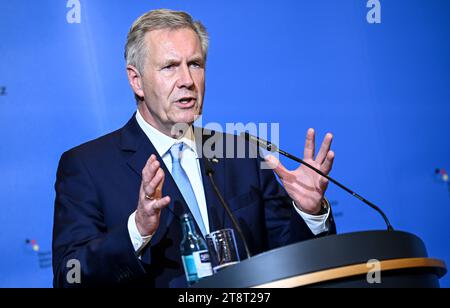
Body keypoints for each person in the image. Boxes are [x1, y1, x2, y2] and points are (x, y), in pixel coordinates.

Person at [52, 9, 336, 288]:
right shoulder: (87, 166)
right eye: (170, 66)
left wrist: (309, 212)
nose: (187, 80)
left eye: (195, 64)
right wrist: (136, 231)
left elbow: (289, 261)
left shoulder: (238, 152)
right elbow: (70, 276)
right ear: (136, 80)